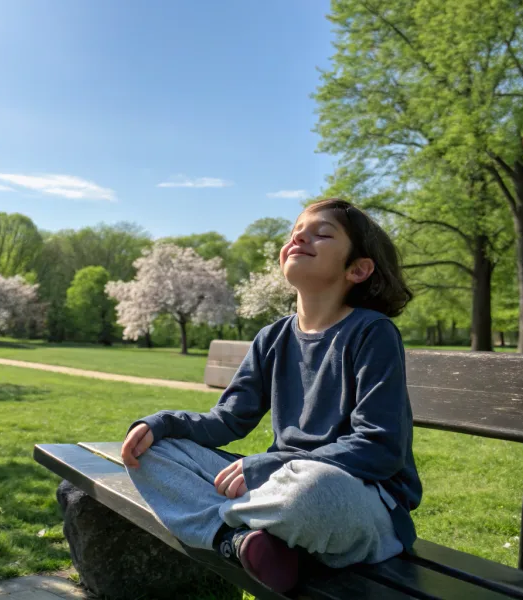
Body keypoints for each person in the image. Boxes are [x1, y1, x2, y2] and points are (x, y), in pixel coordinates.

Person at [120, 199, 422, 594]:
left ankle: (225, 529)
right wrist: (163, 424)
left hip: (358, 500)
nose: (300, 235)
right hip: (279, 486)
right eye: (297, 230)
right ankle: (242, 540)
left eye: (322, 233)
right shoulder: (273, 338)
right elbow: (228, 419)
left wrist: (270, 467)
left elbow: (379, 448)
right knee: (149, 452)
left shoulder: (372, 333)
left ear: (358, 269)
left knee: (312, 488)